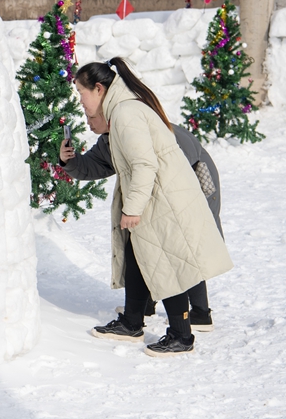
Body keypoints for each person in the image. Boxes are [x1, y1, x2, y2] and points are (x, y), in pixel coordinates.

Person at [71, 57, 232, 357]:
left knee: (168, 263)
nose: (82, 104)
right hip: (157, 197)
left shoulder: (126, 113)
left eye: (82, 95)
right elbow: (111, 163)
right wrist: (71, 161)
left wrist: (131, 208)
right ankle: (132, 322)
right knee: (138, 254)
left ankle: (182, 336)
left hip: (164, 199)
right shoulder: (122, 111)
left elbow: (144, 165)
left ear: (98, 88)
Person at [60, 112, 222, 331]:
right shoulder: (111, 139)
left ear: (108, 116)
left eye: (91, 117)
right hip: (157, 191)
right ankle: (146, 304)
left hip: (196, 179)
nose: (87, 122)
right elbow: (94, 165)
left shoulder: (138, 131)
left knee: (184, 248)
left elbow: (167, 169)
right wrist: (69, 160)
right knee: (148, 243)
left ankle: (200, 314)